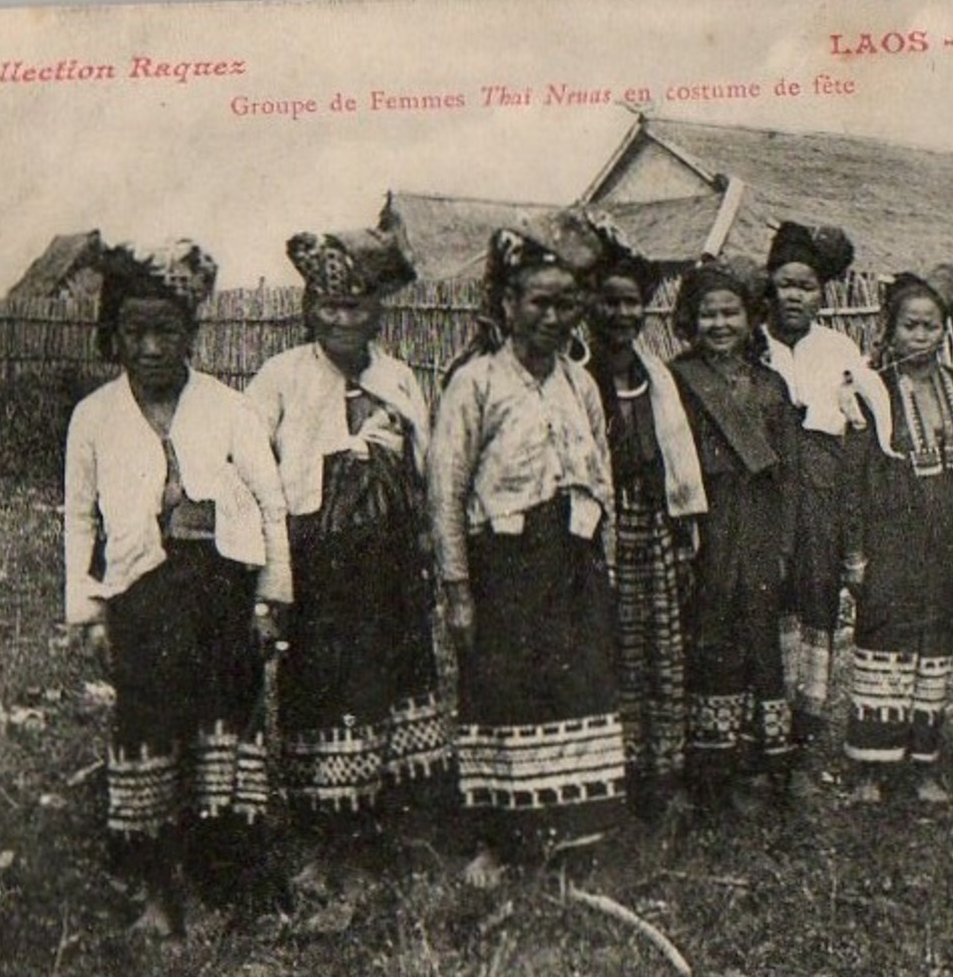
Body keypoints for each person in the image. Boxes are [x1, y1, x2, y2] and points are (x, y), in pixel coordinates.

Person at [64, 241, 290, 935]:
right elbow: (79, 515)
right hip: (141, 597)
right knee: (149, 731)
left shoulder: (228, 408)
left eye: (168, 331)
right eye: (136, 331)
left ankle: (220, 880)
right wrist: (87, 608)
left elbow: (271, 503)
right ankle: (158, 890)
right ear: (115, 336)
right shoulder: (94, 417)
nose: (152, 347)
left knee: (221, 728)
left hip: (220, 593)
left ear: (192, 334)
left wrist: (268, 597)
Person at [429, 210, 626, 887]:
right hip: (504, 567)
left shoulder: (580, 382)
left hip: (572, 564)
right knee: (502, 694)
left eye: (566, 303)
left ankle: (573, 836)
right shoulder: (475, 383)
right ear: (507, 304)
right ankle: (496, 839)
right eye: (538, 301)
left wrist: (607, 566)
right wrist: (457, 588)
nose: (553, 316)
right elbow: (445, 490)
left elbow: (601, 472)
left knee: (576, 690)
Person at [246, 228, 445, 886]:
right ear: (309, 308)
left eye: (354, 306)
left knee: (393, 680)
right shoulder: (281, 378)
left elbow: (426, 468)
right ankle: (328, 834)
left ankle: (397, 823)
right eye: (327, 305)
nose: (340, 319)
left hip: (388, 568)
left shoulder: (396, 379)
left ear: (377, 312)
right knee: (324, 688)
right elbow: (250, 469)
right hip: (319, 565)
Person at [839, 266, 953, 805]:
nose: (920, 337)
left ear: (946, 330)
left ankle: (924, 765)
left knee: (934, 649)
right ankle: (872, 769)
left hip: (944, 542)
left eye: (931, 326)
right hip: (890, 542)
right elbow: (853, 477)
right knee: (884, 644)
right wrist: (854, 554)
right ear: (890, 328)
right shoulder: (872, 391)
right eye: (910, 326)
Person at [669, 257, 802, 813]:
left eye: (730, 313)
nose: (719, 325)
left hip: (759, 522)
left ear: (751, 320)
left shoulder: (771, 387)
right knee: (710, 632)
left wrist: (785, 542)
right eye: (708, 314)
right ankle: (709, 768)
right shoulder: (677, 379)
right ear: (689, 320)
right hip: (707, 521)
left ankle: (765, 763)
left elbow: (788, 472)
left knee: (761, 636)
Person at [760, 221, 892, 759]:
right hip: (766, 492)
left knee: (815, 592)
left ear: (823, 294)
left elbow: (864, 424)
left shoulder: (839, 348)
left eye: (807, 286)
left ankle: (805, 720)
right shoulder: (752, 342)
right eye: (786, 283)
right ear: (770, 286)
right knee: (769, 595)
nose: (795, 295)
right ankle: (764, 717)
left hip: (820, 491)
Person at [585, 243, 707, 821]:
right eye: (607, 302)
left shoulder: (654, 374)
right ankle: (612, 774)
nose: (620, 314)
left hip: (652, 523)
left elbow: (674, 455)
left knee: (659, 648)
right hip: (599, 531)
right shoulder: (577, 376)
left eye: (631, 303)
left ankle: (661, 772)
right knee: (609, 648)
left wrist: (683, 528)